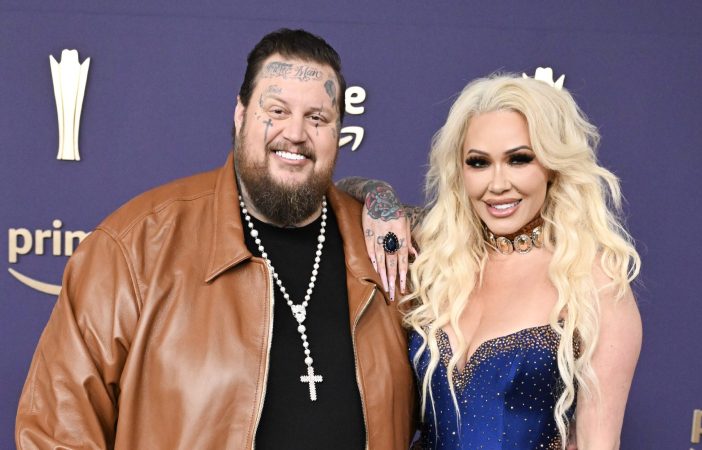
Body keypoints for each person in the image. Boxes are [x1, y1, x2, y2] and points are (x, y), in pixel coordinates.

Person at [15, 28, 414, 449]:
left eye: (317, 118)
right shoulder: (135, 246)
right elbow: (56, 432)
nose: (296, 133)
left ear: (339, 133)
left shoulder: (386, 253)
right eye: (276, 111)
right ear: (240, 115)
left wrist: (378, 193)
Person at [343, 74, 641, 449]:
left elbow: (600, 442)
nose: (497, 184)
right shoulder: (437, 255)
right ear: (460, 171)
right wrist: (380, 196)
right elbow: (339, 193)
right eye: (479, 163)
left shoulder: (594, 281)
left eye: (518, 160)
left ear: (552, 166)